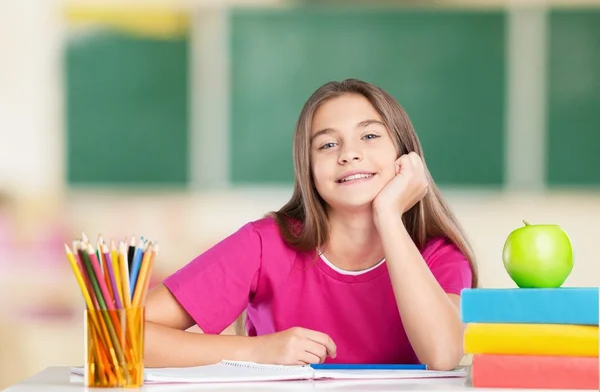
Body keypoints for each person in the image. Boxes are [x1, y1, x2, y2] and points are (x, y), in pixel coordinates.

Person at [144, 79, 477, 371]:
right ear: (308, 168)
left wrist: (389, 215)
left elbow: (443, 355)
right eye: (327, 144)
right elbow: (122, 332)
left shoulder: (439, 255)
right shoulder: (264, 244)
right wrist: (257, 351)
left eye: (370, 135)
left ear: (404, 156)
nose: (349, 154)